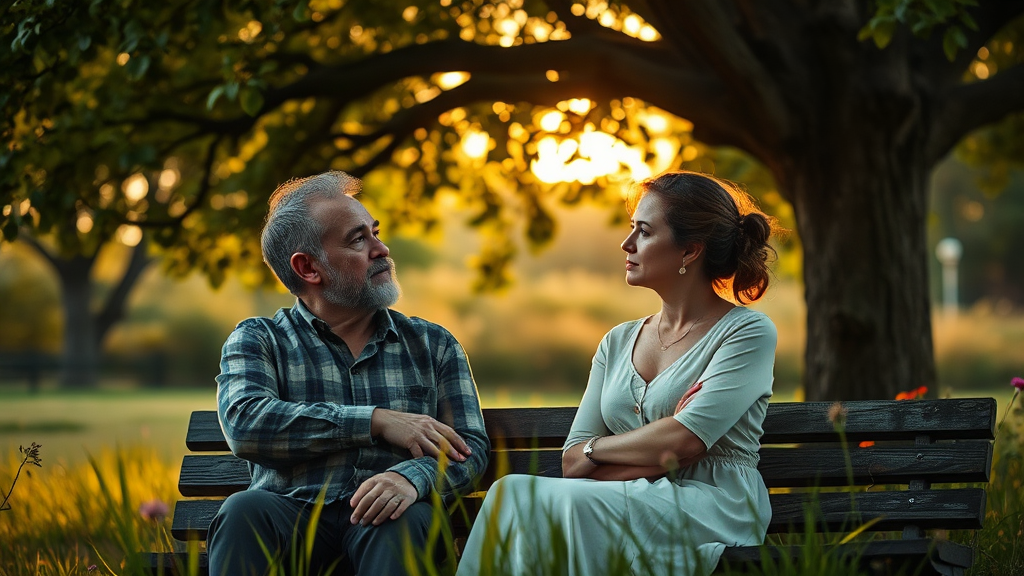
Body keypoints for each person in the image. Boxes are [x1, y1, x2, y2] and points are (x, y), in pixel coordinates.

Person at [456, 171, 779, 576]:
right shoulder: (617, 341)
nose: (627, 244)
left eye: (643, 232)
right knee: (509, 493)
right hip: (621, 496)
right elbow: (575, 460)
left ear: (689, 251)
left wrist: (610, 449)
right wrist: (649, 449)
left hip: (714, 503)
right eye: (632, 229)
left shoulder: (747, 332)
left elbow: (684, 442)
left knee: (575, 504)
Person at [207, 171, 489, 576]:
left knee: (400, 520)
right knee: (243, 510)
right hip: (291, 512)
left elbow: (470, 446)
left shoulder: (433, 344)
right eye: (359, 240)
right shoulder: (258, 339)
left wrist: (413, 478)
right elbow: (246, 423)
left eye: (375, 232)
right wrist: (374, 422)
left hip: (392, 518)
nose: (382, 248)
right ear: (308, 268)